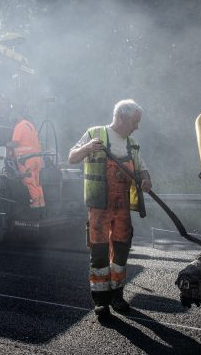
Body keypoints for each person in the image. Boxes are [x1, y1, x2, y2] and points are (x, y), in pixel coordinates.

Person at [68, 99, 152, 320]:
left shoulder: (132, 144)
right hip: (99, 208)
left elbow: (142, 170)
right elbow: (72, 157)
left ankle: (117, 296)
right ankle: (101, 302)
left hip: (122, 208)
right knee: (100, 255)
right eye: (135, 121)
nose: (137, 126)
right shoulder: (95, 134)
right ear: (122, 117)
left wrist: (146, 179)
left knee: (121, 254)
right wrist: (87, 147)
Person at [7, 110, 45, 209]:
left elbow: (15, 142)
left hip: (26, 159)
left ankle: (36, 203)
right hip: (37, 158)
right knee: (37, 181)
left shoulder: (19, 126)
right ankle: (41, 202)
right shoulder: (29, 125)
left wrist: (6, 144)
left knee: (28, 181)